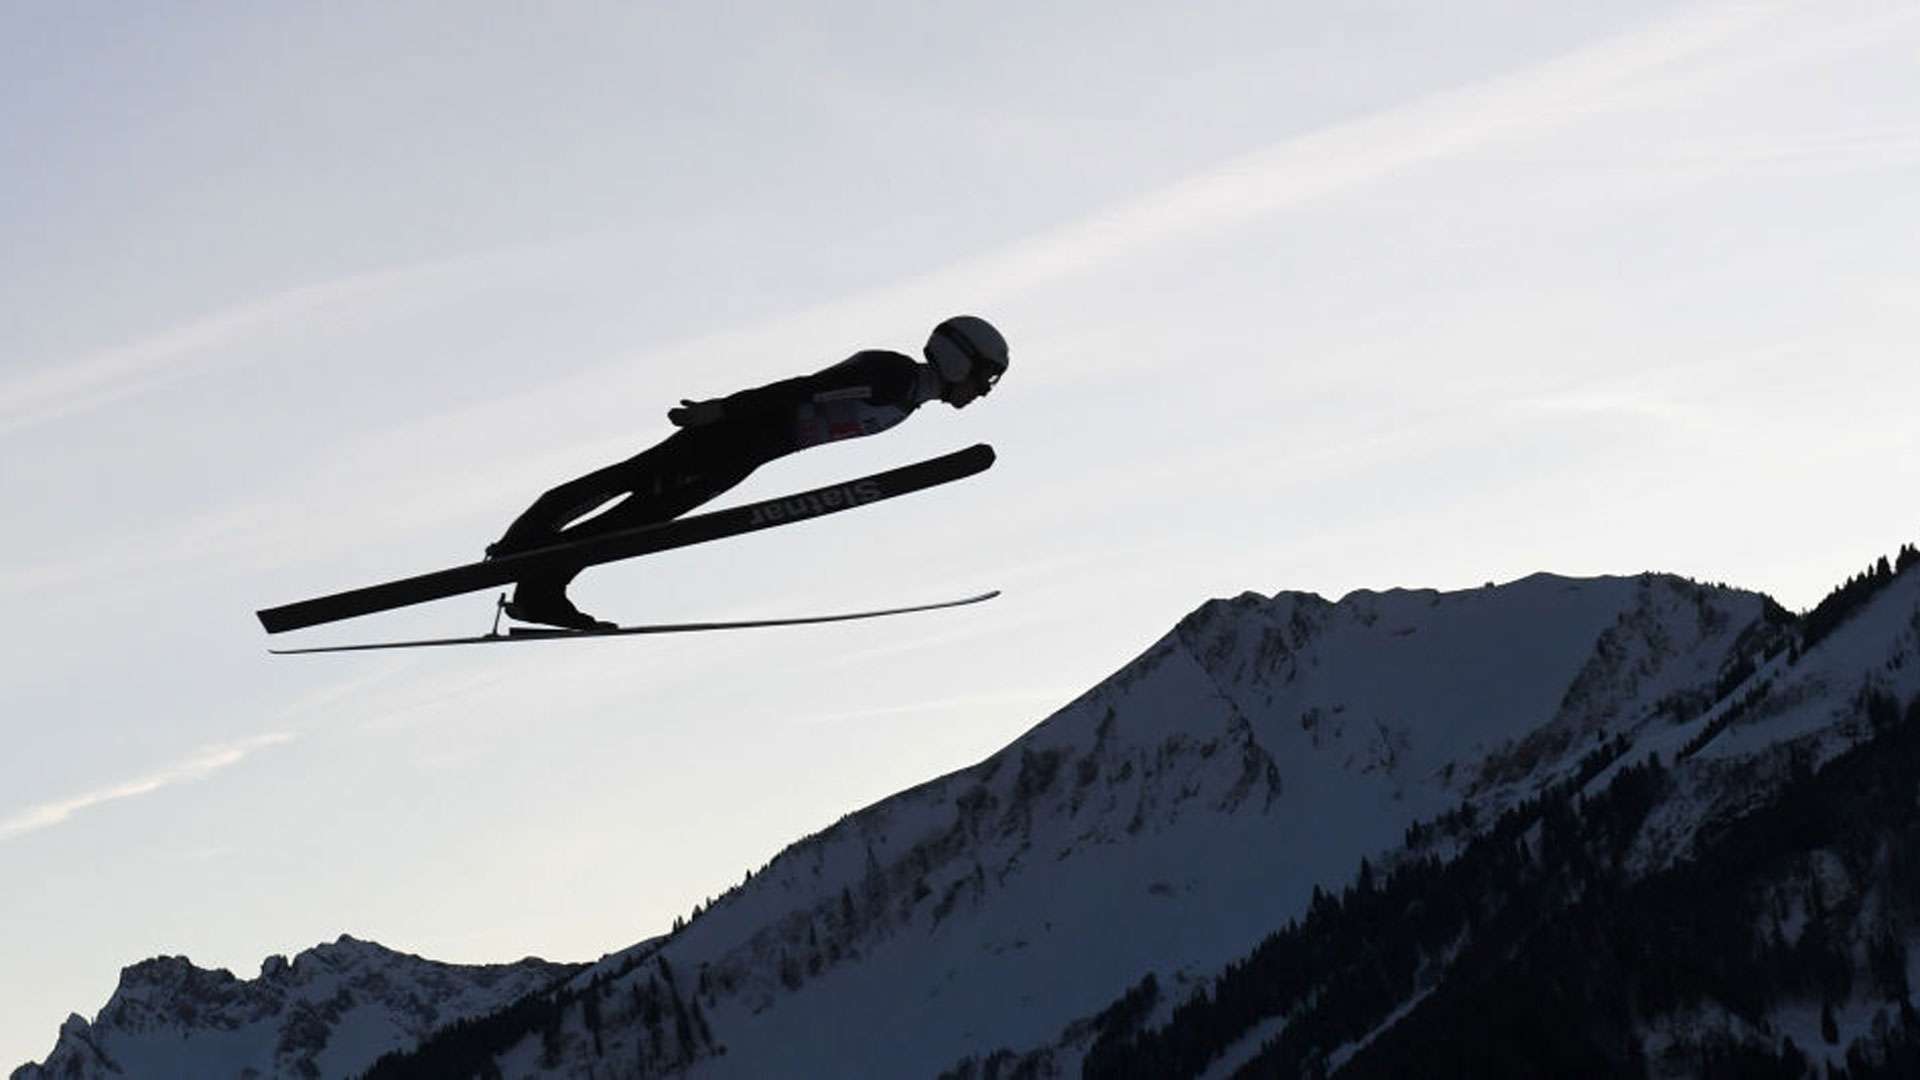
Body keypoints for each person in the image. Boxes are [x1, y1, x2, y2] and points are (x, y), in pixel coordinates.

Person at [486, 315, 1010, 629]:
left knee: (643, 517)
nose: (984, 390)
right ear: (959, 361)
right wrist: (722, 412)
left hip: (753, 450)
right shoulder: (892, 377)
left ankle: (540, 589)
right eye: (985, 377)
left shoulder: (908, 397)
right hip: (737, 437)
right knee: (631, 482)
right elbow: (802, 389)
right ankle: (523, 547)